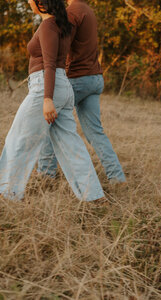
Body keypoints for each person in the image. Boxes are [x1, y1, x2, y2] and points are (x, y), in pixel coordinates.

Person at [0, 0, 105, 202]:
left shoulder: (49, 25)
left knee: (19, 139)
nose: (29, 2)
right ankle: (92, 195)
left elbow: (49, 64)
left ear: (41, 2)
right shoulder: (61, 24)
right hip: (62, 86)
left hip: (46, 87)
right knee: (70, 144)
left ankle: (8, 193)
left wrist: (47, 98)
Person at [37, 0, 126, 184]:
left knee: (50, 122)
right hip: (94, 77)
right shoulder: (87, 10)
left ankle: (45, 176)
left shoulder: (72, 12)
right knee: (95, 132)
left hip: (78, 78)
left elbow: (61, 44)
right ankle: (117, 178)